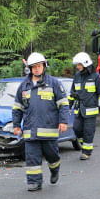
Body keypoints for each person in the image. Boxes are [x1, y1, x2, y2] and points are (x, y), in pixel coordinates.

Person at [13, 52, 70, 191]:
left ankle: (55, 169)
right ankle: (34, 182)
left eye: (39, 66)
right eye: (34, 67)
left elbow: (63, 104)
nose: (37, 69)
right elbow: (17, 107)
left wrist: (63, 121)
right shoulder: (24, 86)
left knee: (52, 155)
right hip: (30, 131)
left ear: (44, 66)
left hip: (48, 130)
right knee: (32, 158)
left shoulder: (54, 83)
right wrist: (16, 125)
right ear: (30, 68)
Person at [68, 52, 100, 160]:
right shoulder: (77, 76)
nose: (77, 67)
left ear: (85, 64)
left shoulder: (95, 77)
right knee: (76, 129)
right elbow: (72, 93)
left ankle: (86, 152)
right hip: (78, 109)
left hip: (90, 111)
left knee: (88, 131)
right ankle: (84, 143)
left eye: (79, 64)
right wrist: (68, 106)